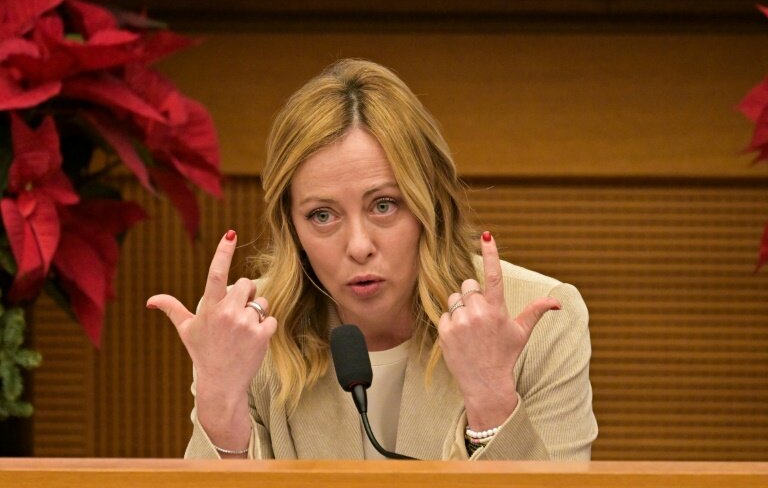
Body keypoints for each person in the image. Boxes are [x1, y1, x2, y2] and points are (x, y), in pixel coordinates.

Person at [147, 58, 598, 460]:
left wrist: (491, 400)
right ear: (292, 226)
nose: (359, 245)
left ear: (430, 204)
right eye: (322, 215)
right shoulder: (243, 332)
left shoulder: (542, 321)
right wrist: (218, 400)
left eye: (384, 205)